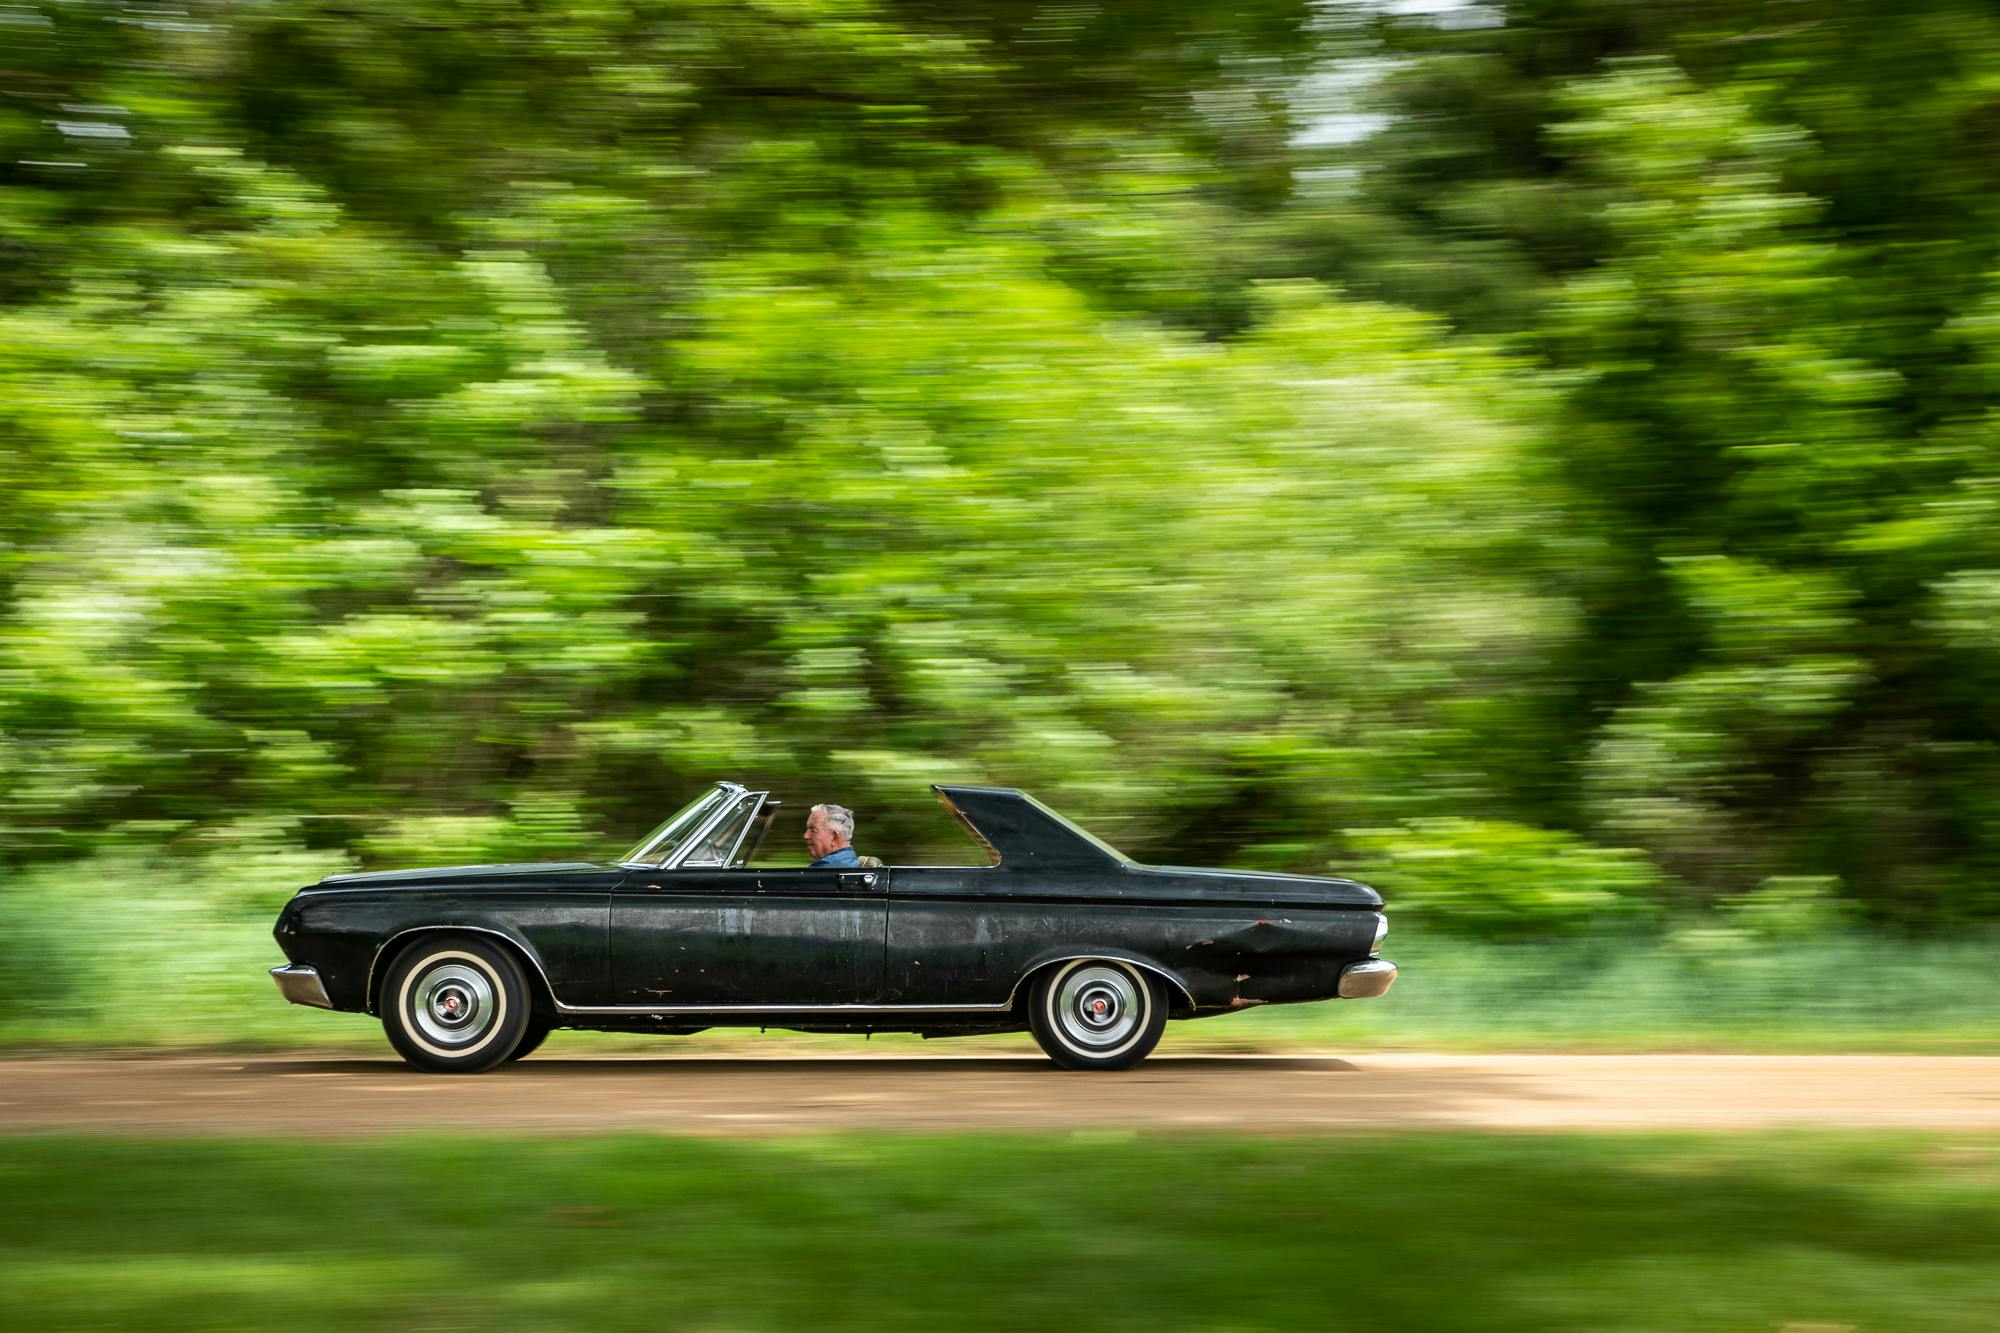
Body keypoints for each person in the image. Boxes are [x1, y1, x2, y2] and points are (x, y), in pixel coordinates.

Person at [804, 802, 861, 868]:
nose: (806, 836)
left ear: (834, 837)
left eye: (813, 830)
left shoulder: (822, 870)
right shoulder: (855, 864)